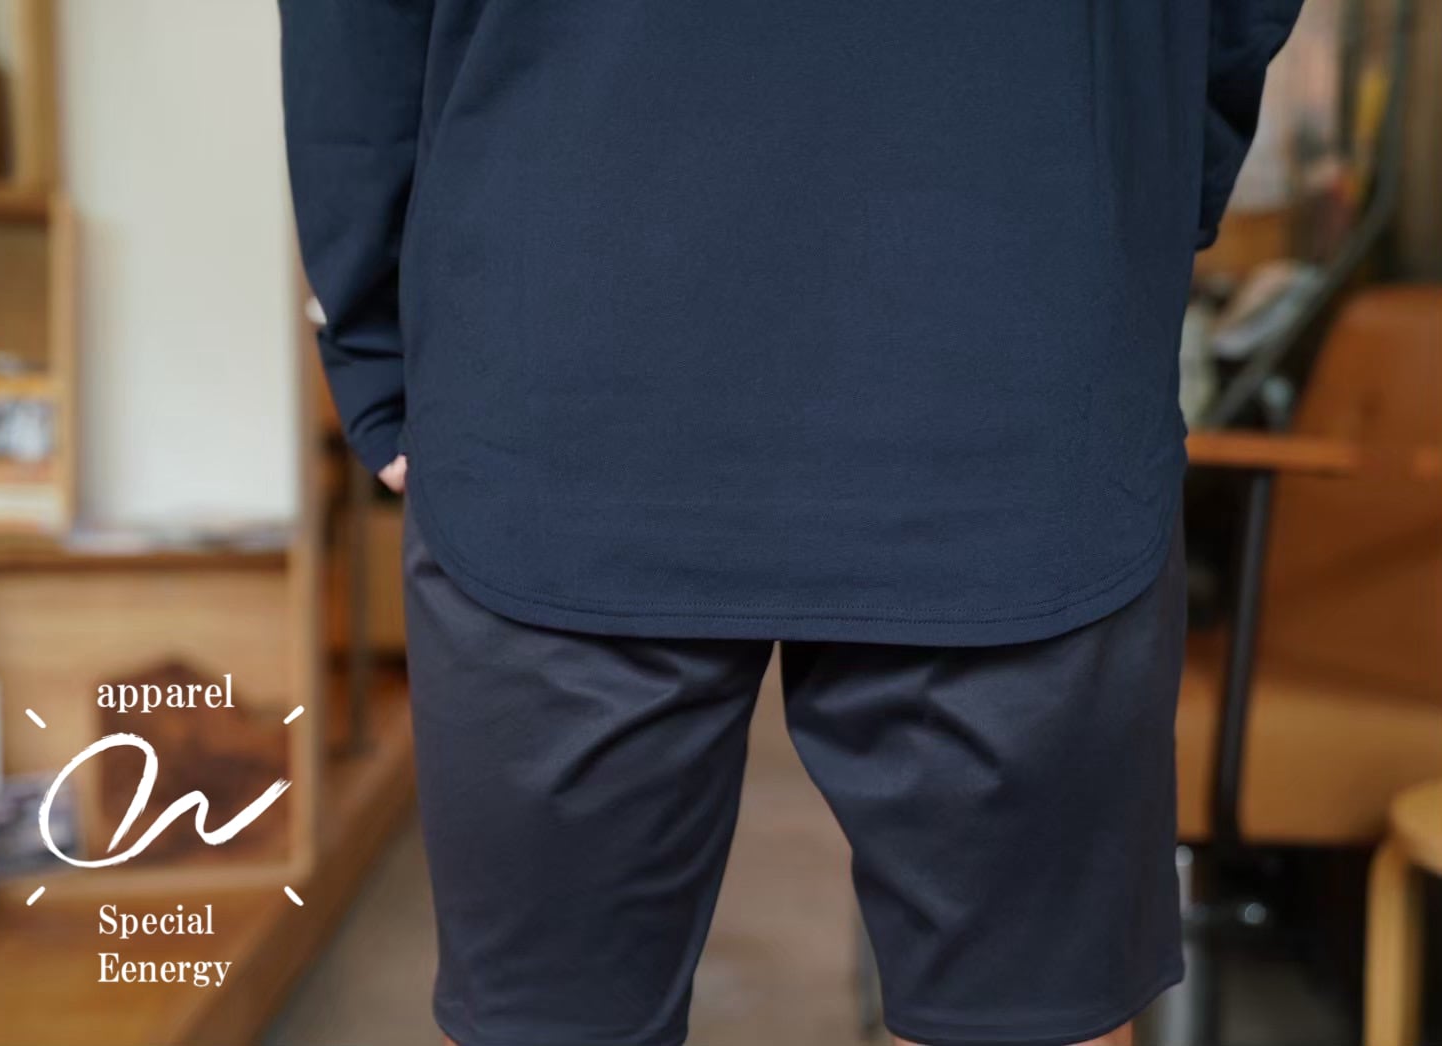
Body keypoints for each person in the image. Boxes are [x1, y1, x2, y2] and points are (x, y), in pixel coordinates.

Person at [281, 2, 1301, 1043]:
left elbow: (354, 31)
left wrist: (376, 340)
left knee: (556, 1017)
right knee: (1023, 1012)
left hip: (560, 367)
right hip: (1015, 333)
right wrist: (1130, 212)